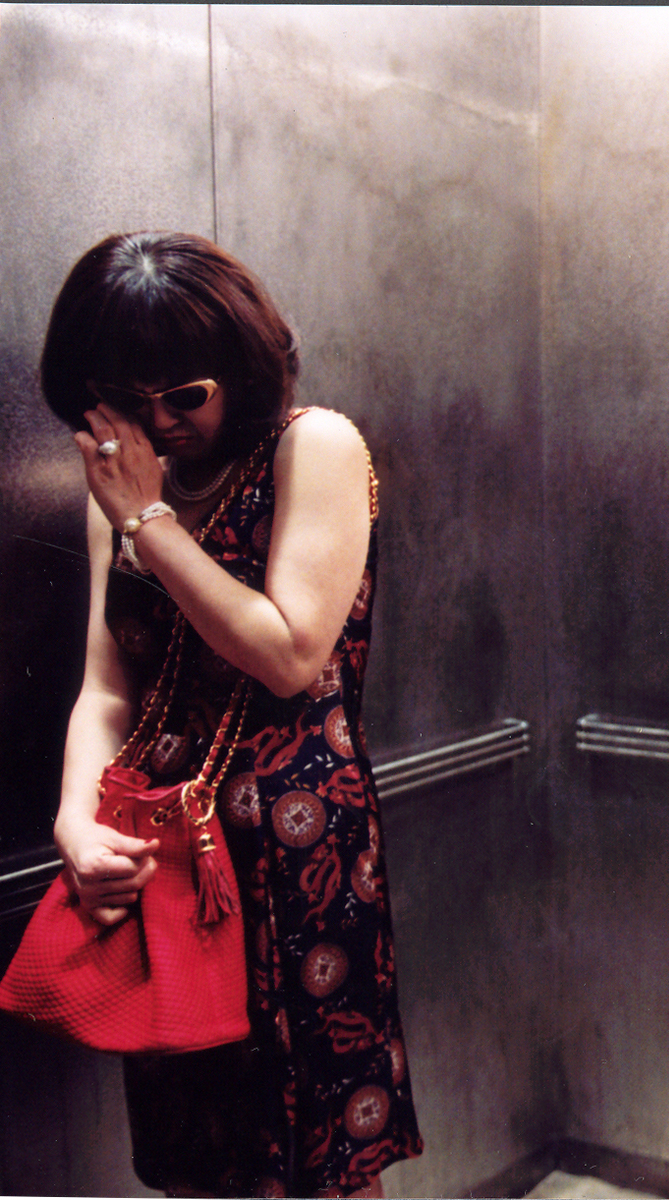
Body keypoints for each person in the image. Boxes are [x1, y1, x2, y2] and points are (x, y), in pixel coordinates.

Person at [37, 232, 422, 1197]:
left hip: (296, 849)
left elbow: (289, 654)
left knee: (320, 1160)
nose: (161, 424)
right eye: (130, 402)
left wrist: (149, 523)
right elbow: (107, 688)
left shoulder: (311, 445)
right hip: (166, 852)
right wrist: (74, 822)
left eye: (185, 396)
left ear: (237, 369)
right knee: (195, 1155)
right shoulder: (122, 488)